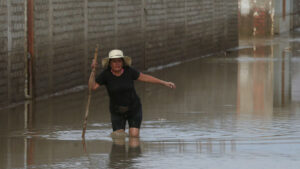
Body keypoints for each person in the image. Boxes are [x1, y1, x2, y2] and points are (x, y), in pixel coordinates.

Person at [89, 49, 176, 138]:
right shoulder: (105, 75)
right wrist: (93, 71)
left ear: (123, 62)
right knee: (119, 138)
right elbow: (93, 86)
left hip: (134, 108)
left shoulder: (129, 71)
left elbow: (145, 77)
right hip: (117, 111)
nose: (117, 64)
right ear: (110, 63)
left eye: (119, 61)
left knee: (134, 137)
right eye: (114, 61)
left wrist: (164, 82)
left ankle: (134, 151)